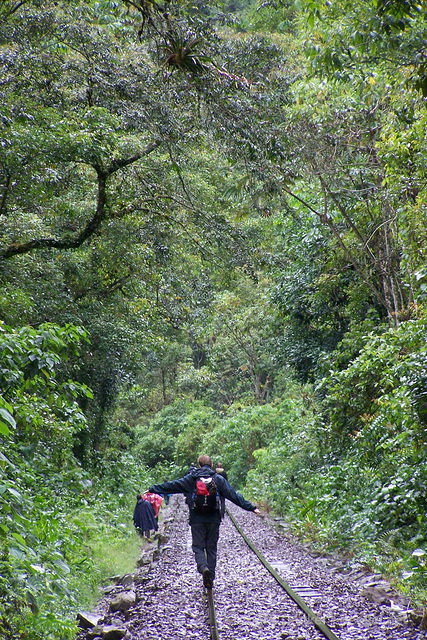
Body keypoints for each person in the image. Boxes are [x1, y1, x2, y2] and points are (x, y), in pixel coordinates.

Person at [147, 454, 259, 589]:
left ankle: (203, 568)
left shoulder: (191, 479)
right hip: (214, 519)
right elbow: (233, 495)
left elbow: (172, 486)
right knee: (211, 548)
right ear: (211, 465)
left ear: (199, 465)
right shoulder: (218, 479)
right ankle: (210, 575)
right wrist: (251, 507)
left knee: (198, 547)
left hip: (197, 519)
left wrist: (153, 489)